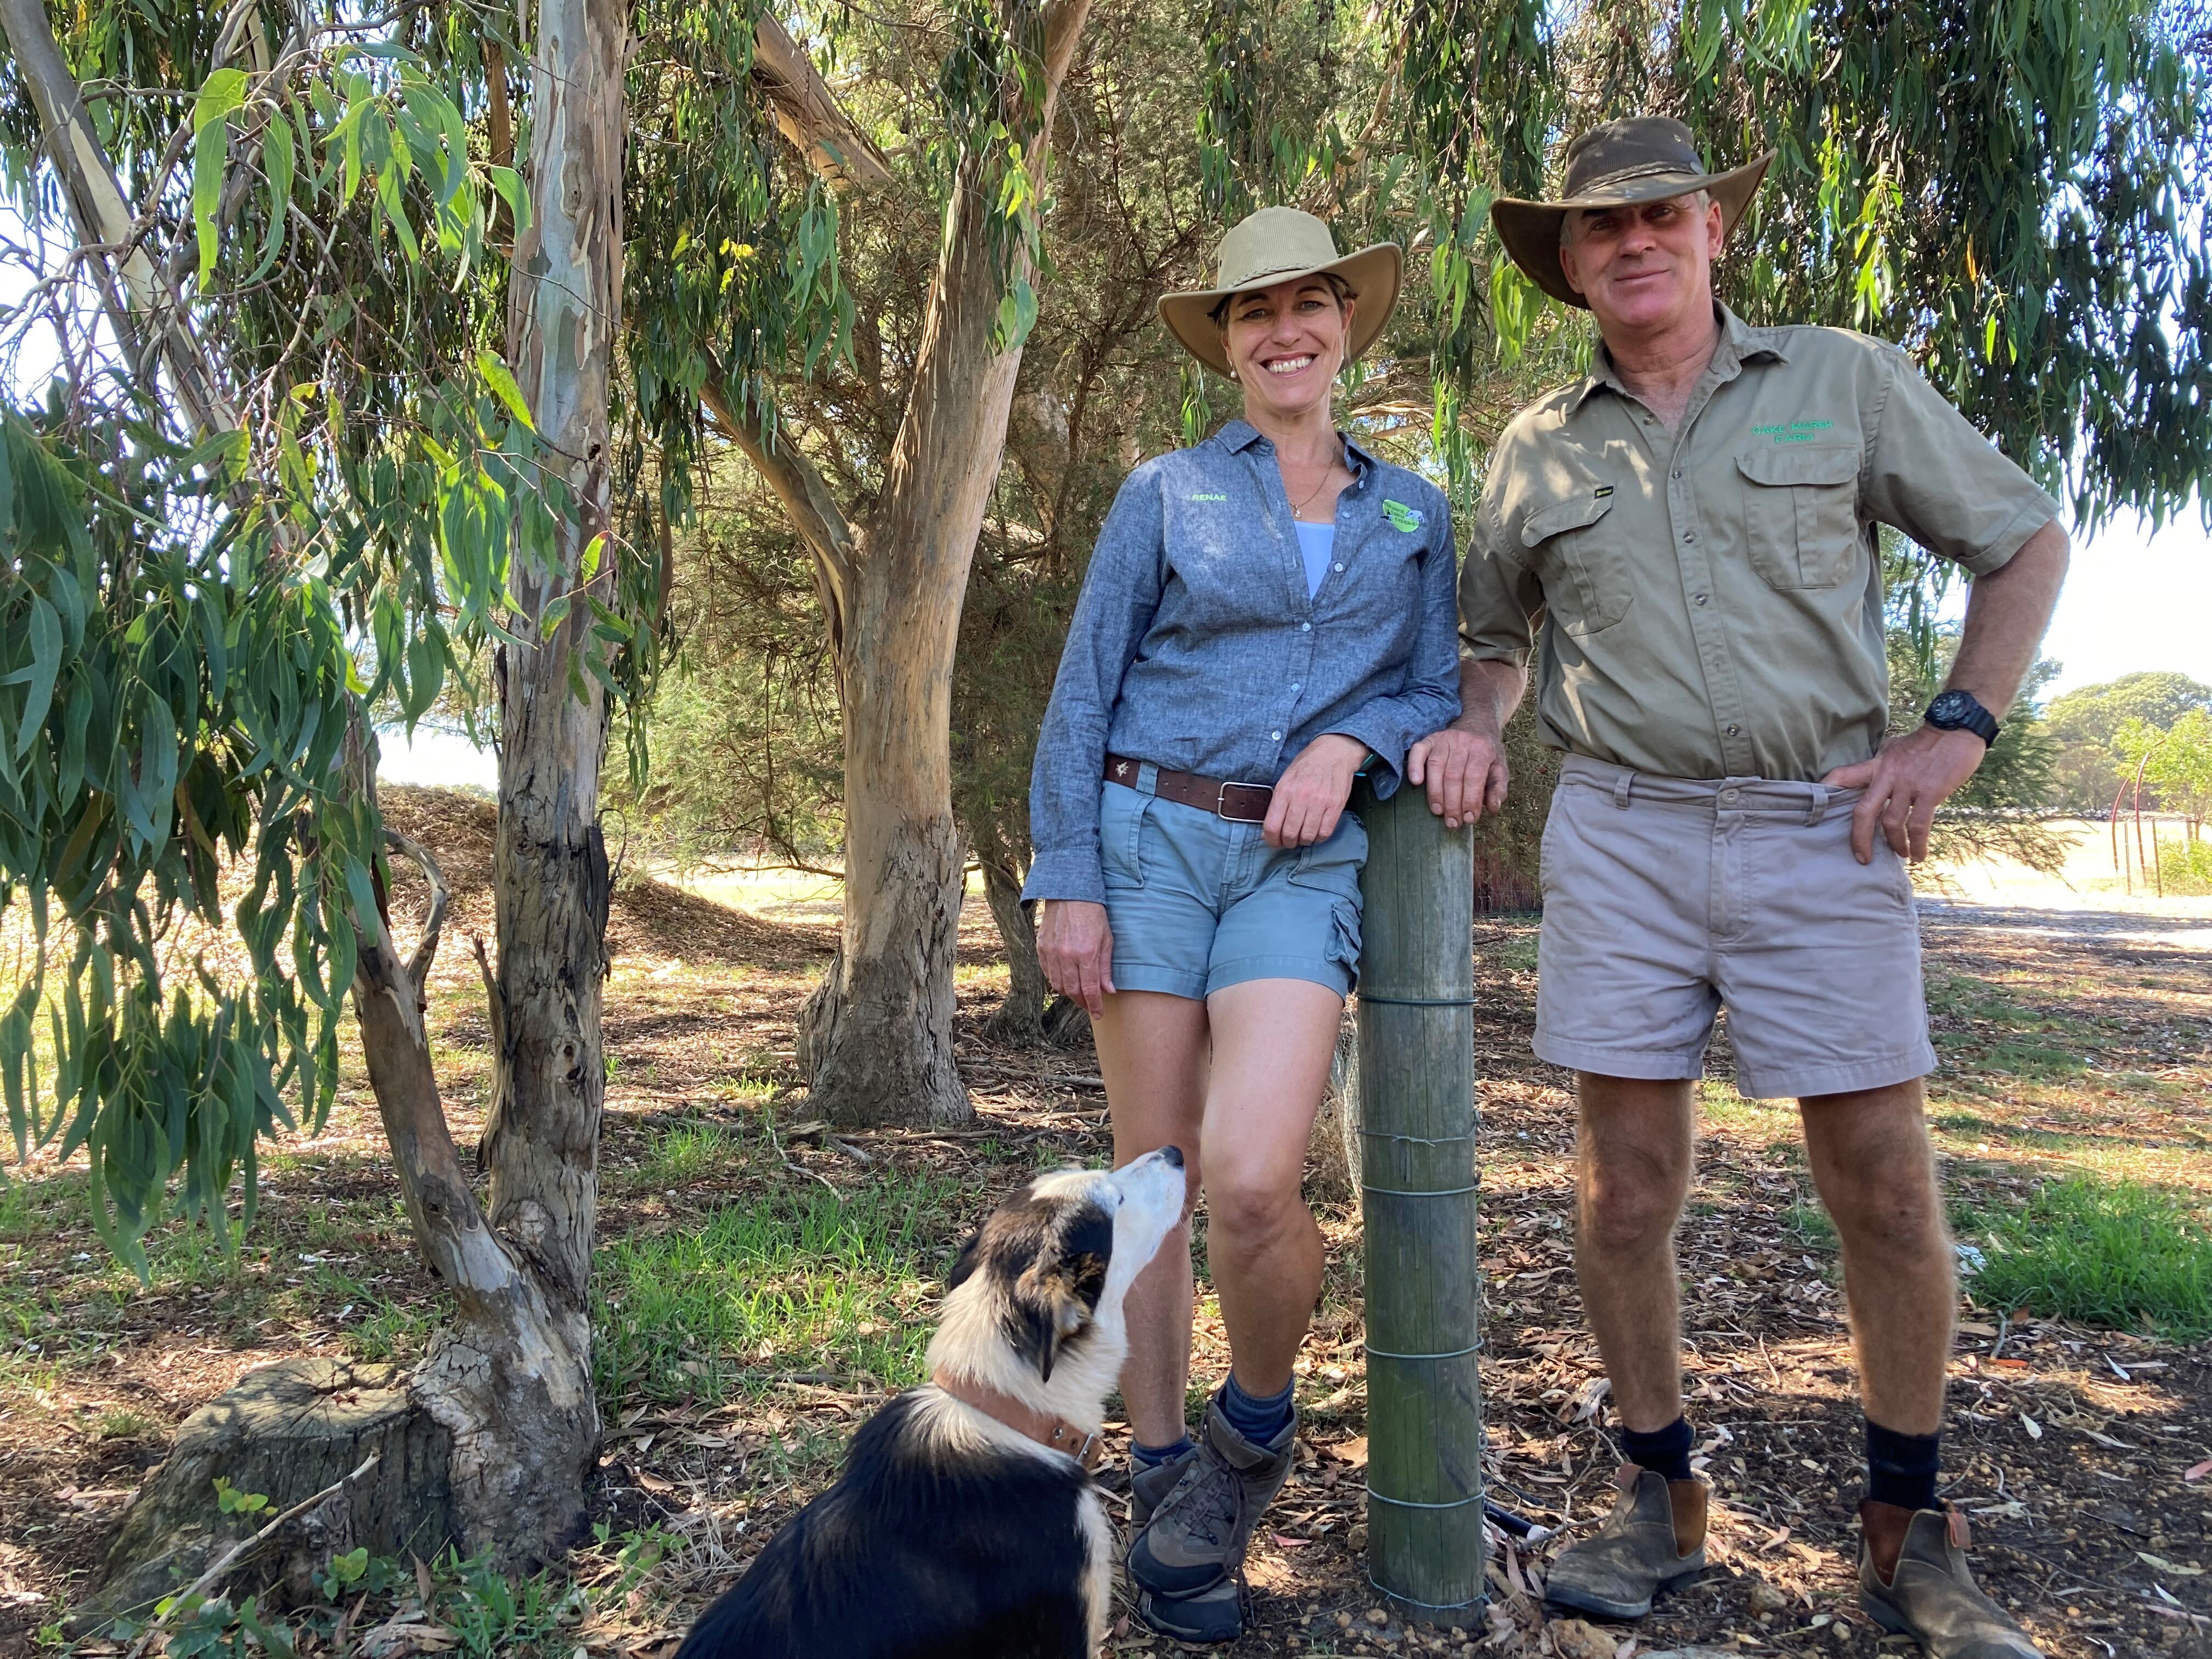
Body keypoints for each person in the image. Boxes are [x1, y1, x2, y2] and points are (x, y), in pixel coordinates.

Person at [1443, 118, 2068, 1659]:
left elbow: (2024, 539)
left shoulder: (1842, 381)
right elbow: (1492, 635)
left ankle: (1911, 1530)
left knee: (1883, 1185)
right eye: (1603, 230)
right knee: (1624, 1188)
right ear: (1571, 265)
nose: (1636, 243)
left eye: (1662, 215)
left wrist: (1954, 733)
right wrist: (1472, 725)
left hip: (1825, 828)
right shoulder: (1539, 447)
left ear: (1714, 231)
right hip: (1623, 833)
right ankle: (1656, 1495)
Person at [1022, 205, 1464, 1644]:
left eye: (1309, 305)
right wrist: (1064, 876)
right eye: (1253, 311)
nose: (1284, 330)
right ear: (1227, 340)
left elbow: (1433, 688)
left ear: (1347, 323)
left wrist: (1351, 750)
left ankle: (1248, 1430)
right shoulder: (1166, 492)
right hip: (1147, 837)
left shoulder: (1415, 512)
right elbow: (1085, 690)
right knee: (1154, 1192)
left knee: (1256, 1174)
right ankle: (1164, 1482)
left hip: (1296, 859)